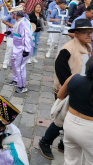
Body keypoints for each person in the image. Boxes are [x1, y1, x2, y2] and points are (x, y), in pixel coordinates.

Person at [39, 18, 93, 160]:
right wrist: (73, 89)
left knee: (71, 120)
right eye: (86, 32)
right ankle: (45, 141)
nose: (89, 35)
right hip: (67, 90)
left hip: (81, 90)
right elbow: (61, 71)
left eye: (91, 32)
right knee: (61, 119)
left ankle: (64, 143)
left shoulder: (88, 47)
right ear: (76, 33)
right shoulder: (67, 49)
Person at [58, 56, 93, 165]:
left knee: (70, 160)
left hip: (70, 122)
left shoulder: (74, 78)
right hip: (90, 128)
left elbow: (60, 95)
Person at [6, 10, 32, 93]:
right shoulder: (19, 21)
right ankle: (17, 79)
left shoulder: (23, 23)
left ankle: (22, 86)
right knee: (13, 62)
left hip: (22, 48)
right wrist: (10, 32)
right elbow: (17, 31)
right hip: (17, 48)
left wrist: (26, 50)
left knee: (20, 66)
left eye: (12, 14)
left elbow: (26, 36)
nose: (11, 15)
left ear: (16, 14)